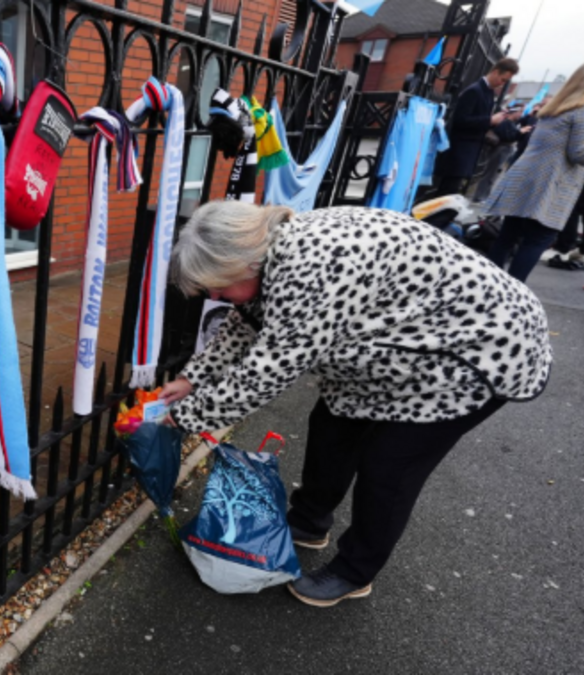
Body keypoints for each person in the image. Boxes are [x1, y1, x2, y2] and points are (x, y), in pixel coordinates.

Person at [159, 201, 552, 608]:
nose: (216, 296)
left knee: (390, 467)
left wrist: (185, 417)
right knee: (333, 425)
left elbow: (267, 372)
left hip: (475, 354)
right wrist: (193, 379)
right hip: (400, 344)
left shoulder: (310, 267)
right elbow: (247, 323)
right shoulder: (268, 252)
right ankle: (309, 522)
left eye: (218, 286)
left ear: (244, 262)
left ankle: (355, 571)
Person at [485, 64, 584, 282]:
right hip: (550, 186)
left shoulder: (556, 108)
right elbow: (578, 153)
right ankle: (512, 297)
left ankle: (488, 285)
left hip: (524, 178)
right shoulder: (581, 112)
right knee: (538, 239)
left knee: (508, 236)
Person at [435, 58, 522, 197]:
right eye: (503, 79)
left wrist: (495, 118)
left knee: (451, 194)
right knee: (446, 193)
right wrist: (490, 120)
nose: (502, 84)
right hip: (460, 152)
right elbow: (460, 120)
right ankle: (436, 219)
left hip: (469, 152)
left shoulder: (487, 91)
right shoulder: (475, 90)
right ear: (495, 72)